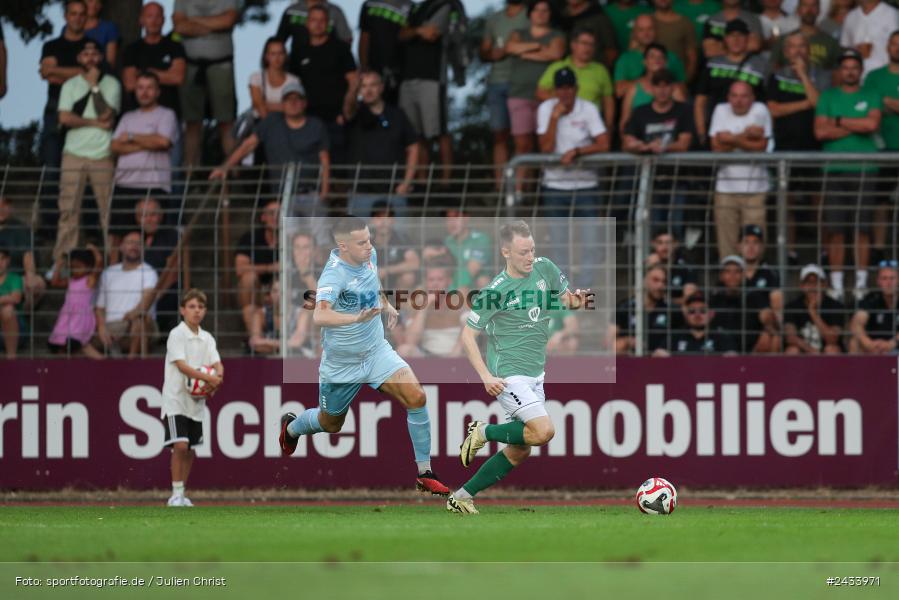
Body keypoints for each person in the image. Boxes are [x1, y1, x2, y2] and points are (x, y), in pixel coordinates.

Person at [278, 216, 451, 497]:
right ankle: (292, 428)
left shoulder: (369, 256)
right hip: (341, 365)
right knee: (330, 423)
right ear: (343, 246)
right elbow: (320, 314)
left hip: (376, 352)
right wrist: (355, 316)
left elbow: (373, 286)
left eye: (369, 239)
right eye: (361, 242)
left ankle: (424, 472)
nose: (369, 246)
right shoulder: (334, 275)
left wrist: (386, 306)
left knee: (417, 397)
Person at [448, 220, 593, 514]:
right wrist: (485, 376)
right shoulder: (496, 291)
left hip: (536, 373)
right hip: (507, 374)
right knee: (543, 431)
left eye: (532, 250)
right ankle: (484, 432)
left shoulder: (545, 268)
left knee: (521, 449)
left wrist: (578, 301)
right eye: (523, 252)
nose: (530, 257)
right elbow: (467, 334)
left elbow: (566, 301)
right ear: (506, 252)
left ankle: (461, 496)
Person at [210, 82, 331, 233]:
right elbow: (247, 146)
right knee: (289, 244)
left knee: (320, 240)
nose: (293, 103)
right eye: (288, 99)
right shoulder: (271, 122)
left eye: (297, 98)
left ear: (304, 103)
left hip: (311, 194)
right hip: (283, 197)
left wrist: (324, 192)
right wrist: (225, 167)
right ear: (282, 104)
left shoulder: (316, 125)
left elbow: (324, 160)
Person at [814, 49, 881, 300]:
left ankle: (861, 283)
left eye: (854, 67)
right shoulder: (827, 96)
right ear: (839, 71)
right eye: (845, 67)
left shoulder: (871, 94)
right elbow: (820, 132)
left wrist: (838, 121)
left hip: (865, 170)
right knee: (836, 229)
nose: (850, 71)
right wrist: (855, 125)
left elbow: (872, 125)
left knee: (862, 228)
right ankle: (838, 283)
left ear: (861, 70)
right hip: (834, 170)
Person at [537, 67, 610, 288]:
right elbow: (546, 148)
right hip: (554, 186)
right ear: (555, 90)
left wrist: (577, 152)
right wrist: (554, 117)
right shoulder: (546, 108)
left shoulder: (588, 108)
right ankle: (564, 294)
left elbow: (604, 143)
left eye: (569, 87)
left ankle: (585, 291)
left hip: (586, 185)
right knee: (559, 245)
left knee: (590, 243)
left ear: (576, 88)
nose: (565, 93)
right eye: (561, 88)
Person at [55, 38, 122, 264]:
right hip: (73, 153)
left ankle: (113, 261)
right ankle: (63, 262)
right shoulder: (70, 85)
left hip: (102, 154)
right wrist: (94, 124)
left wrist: (94, 86)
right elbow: (64, 118)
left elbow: (106, 115)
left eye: (95, 53)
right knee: (68, 209)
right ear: (78, 58)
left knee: (108, 211)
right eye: (86, 53)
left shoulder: (112, 84)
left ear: (101, 58)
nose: (90, 57)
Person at [766, 31, 829, 255]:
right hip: (785, 148)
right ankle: (789, 251)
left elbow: (821, 104)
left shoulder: (821, 75)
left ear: (809, 50)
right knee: (787, 203)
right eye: (792, 46)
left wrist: (803, 75)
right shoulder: (777, 76)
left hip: (815, 148)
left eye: (802, 46)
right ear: (785, 52)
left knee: (818, 204)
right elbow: (773, 109)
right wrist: (806, 104)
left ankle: (823, 250)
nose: (798, 51)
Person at [161, 288, 224, 507]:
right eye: (191, 306)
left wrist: (218, 377)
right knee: (180, 445)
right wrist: (210, 379)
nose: (196, 311)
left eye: (200, 307)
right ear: (182, 310)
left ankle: (182, 493)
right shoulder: (177, 334)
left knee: (190, 449)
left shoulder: (207, 338)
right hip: (175, 399)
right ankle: (175, 493)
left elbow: (217, 364)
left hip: (196, 403)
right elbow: (182, 366)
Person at [622, 69, 694, 238]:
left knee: (675, 227)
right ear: (652, 88)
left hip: (677, 179)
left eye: (666, 85)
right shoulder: (641, 112)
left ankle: (675, 262)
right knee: (652, 228)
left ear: (673, 88)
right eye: (658, 85)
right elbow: (627, 141)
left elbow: (684, 143)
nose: (662, 90)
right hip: (649, 180)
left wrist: (663, 147)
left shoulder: (684, 110)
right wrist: (640, 146)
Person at [399, 0, 464, 183]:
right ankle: (421, 181)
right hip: (408, 76)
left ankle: (446, 182)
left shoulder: (448, 5)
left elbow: (432, 33)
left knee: (439, 131)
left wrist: (414, 31)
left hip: (433, 76)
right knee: (416, 134)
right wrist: (418, 31)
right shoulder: (414, 7)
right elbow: (402, 34)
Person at [110, 71, 179, 238]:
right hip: (124, 184)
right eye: (140, 87)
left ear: (158, 92)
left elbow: (163, 142)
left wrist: (132, 137)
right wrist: (148, 143)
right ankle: (113, 266)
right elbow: (114, 146)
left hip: (154, 185)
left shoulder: (166, 114)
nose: (144, 92)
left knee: (152, 238)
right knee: (117, 236)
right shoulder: (127, 117)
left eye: (149, 88)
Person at [710, 81, 773, 259]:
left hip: (756, 190)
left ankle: (756, 281)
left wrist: (730, 139)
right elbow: (715, 147)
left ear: (752, 98)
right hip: (725, 189)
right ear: (728, 97)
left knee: (755, 244)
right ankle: (729, 281)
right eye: (734, 96)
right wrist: (746, 136)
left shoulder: (760, 109)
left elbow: (762, 145)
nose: (739, 101)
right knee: (726, 243)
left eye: (744, 96)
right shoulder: (720, 110)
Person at [173, 0, 240, 167]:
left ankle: (232, 176)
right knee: (192, 123)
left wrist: (194, 20)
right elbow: (179, 26)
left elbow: (228, 21)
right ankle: (190, 178)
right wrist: (214, 24)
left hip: (221, 65)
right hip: (191, 66)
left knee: (226, 122)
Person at [345, 70, 418, 219]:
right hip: (361, 192)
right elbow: (348, 106)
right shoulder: (355, 113)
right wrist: (353, 88)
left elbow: (413, 147)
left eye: (373, 85)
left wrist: (406, 182)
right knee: (356, 241)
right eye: (363, 86)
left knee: (400, 240)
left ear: (381, 87)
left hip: (394, 191)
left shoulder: (398, 115)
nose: (369, 90)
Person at [293, 5, 358, 165]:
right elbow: (293, 86)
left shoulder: (341, 48)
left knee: (338, 164)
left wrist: (347, 109)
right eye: (314, 20)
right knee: (311, 162)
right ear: (307, 23)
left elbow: (354, 80)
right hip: (308, 118)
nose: (318, 24)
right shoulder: (299, 51)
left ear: (328, 23)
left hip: (336, 118)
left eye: (322, 20)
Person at [505, 0, 566, 162]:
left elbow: (556, 54)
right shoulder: (518, 33)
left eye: (545, 10)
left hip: (548, 95)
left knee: (544, 144)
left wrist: (524, 52)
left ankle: (539, 184)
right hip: (520, 94)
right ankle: (519, 187)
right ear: (530, 14)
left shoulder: (557, 35)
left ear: (550, 14)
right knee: (522, 145)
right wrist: (540, 47)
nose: (540, 14)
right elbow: (510, 47)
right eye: (536, 10)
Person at [695, 19, 769, 145]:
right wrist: (702, 133)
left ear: (748, 38)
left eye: (740, 35)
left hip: (750, 130)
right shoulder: (713, 64)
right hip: (717, 129)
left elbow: (767, 103)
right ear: (725, 39)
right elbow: (700, 101)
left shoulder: (761, 65)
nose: (736, 40)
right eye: (731, 36)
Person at [481, 0, 530, 189]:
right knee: (499, 135)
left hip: (523, 82)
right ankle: (500, 187)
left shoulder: (530, 15)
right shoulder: (494, 19)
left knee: (524, 138)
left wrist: (514, 48)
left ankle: (522, 188)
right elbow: (483, 51)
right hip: (497, 82)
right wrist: (491, 53)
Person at [863, 30, 899, 261]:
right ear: (887, 47)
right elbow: (869, 108)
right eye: (894, 44)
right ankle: (877, 249)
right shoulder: (874, 77)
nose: (898, 48)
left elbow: (880, 105)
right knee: (880, 201)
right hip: (881, 148)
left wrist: (886, 102)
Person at [39, 0, 88, 171]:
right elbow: (47, 75)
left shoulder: (93, 46)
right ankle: (48, 199)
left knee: (80, 166)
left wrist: (57, 71)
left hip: (84, 110)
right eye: (73, 13)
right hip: (55, 108)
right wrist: (79, 72)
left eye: (82, 14)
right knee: (51, 164)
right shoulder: (51, 46)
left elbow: (90, 77)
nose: (77, 18)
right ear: (66, 16)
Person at [94, 231, 159, 358]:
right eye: (130, 242)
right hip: (109, 328)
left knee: (140, 320)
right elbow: (99, 308)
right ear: (121, 246)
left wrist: (130, 317)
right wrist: (101, 327)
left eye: (138, 243)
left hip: (133, 326)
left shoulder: (149, 272)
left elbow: (145, 302)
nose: (134, 246)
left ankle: (130, 362)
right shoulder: (108, 273)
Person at [536, 28, 616, 131]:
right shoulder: (557, 67)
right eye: (584, 43)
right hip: (562, 120)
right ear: (573, 45)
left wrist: (609, 125)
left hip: (591, 123)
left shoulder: (600, 70)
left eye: (591, 44)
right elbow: (540, 92)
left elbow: (608, 100)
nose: (588, 48)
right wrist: (562, 102)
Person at [122, 2, 187, 120]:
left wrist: (146, 72)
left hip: (169, 112)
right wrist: (165, 76)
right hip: (138, 113)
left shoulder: (175, 47)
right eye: (149, 16)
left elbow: (178, 78)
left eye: (158, 16)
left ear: (163, 20)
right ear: (141, 20)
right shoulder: (132, 49)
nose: (154, 21)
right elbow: (130, 84)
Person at [396, 261, 466, 357]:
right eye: (431, 280)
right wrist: (425, 307)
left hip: (456, 355)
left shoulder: (457, 300)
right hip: (427, 355)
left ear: (448, 281)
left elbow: (470, 332)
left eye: (440, 279)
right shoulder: (419, 302)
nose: (435, 284)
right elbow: (410, 341)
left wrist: (454, 354)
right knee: (403, 350)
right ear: (426, 282)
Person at [709, 254, 777, 353]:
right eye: (728, 272)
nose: (732, 276)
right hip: (720, 350)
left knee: (772, 338)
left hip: (750, 351)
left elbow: (766, 315)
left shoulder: (754, 295)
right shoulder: (713, 297)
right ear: (721, 276)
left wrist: (767, 324)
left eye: (737, 272)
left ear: (743, 275)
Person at [232, 199, 279, 335]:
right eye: (271, 213)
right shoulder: (251, 237)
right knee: (248, 278)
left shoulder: (290, 238)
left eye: (279, 213)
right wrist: (269, 268)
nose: (275, 217)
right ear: (263, 217)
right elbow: (240, 269)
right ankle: (254, 338)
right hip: (257, 293)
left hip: (281, 291)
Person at [48, 246, 104, 358]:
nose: (75, 270)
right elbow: (54, 282)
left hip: (80, 317)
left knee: (76, 342)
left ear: (88, 267)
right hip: (67, 316)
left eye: (78, 267)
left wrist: (93, 248)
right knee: (58, 344)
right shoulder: (71, 280)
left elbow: (99, 262)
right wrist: (59, 266)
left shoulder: (89, 280)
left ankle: (104, 363)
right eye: (72, 267)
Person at [613, 15, 687, 99]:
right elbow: (619, 91)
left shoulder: (671, 57)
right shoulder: (625, 59)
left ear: (656, 30)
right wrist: (646, 79)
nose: (646, 33)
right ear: (634, 33)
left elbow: (683, 91)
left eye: (650, 29)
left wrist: (664, 79)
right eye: (641, 30)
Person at [619, 48, 689, 132]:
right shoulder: (633, 88)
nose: (657, 60)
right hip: (640, 140)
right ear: (644, 62)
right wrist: (626, 141)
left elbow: (685, 119)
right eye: (652, 56)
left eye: (660, 57)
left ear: (666, 63)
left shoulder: (675, 88)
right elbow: (625, 121)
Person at [359, 0, 412, 105]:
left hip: (400, 71)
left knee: (395, 109)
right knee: (371, 107)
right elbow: (364, 37)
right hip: (373, 69)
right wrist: (363, 66)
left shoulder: (410, 7)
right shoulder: (369, 4)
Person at [611, 264, 672, 354]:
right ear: (644, 281)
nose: (660, 286)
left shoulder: (670, 311)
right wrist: (628, 341)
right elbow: (608, 344)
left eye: (664, 282)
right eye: (655, 280)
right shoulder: (625, 307)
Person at [784, 263, 845, 354]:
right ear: (802, 286)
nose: (813, 287)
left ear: (824, 285)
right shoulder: (792, 306)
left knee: (832, 350)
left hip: (825, 352)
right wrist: (811, 350)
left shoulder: (836, 306)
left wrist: (813, 313)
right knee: (792, 350)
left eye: (817, 282)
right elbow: (790, 337)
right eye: (808, 282)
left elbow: (832, 339)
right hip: (804, 351)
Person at [277, 0, 354, 68]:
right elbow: (278, 41)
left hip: (328, 68)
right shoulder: (291, 10)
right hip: (297, 66)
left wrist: (341, 63)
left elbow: (346, 40)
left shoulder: (335, 12)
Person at [769, 0, 841, 71]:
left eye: (814, 6)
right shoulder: (784, 39)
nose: (809, 10)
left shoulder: (831, 43)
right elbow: (773, 69)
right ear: (798, 10)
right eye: (805, 5)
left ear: (819, 11)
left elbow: (838, 73)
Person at [0, 196, 45, 307]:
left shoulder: (20, 229)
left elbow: (28, 256)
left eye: (5, 204)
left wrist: (30, 275)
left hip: (15, 277)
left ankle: (22, 317)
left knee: (37, 283)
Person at [849, 260, 899, 353]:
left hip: (896, 346)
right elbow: (856, 323)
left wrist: (891, 344)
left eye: (892, 278)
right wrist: (868, 343)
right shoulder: (872, 298)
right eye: (884, 278)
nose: (888, 282)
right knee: (854, 343)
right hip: (874, 346)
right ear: (878, 281)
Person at [667, 292, 739, 354]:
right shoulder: (675, 337)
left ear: (711, 314)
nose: (697, 315)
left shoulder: (722, 337)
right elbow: (660, 354)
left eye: (702, 310)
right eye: (692, 311)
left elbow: (732, 358)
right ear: (686, 314)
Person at [369, 203, 420, 292]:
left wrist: (386, 271)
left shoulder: (401, 239)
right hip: (371, 283)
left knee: (408, 277)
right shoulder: (366, 239)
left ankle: (398, 304)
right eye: (379, 218)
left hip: (395, 284)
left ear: (393, 220)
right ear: (372, 220)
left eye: (387, 217)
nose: (383, 222)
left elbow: (415, 263)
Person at [840, 0, 899, 75]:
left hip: (886, 76)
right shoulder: (851, 16)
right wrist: (856, 51)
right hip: (858, 78)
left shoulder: (893, 14)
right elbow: (845, 47)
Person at [249, 38, 301, 121]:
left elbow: (294, 107)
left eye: (280, 53)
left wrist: (268, 105)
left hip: (286, 125)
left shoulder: (294, 81)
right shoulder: (256, 78)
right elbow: (258, 104)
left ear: (285, 56)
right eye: (273, 54)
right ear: (266, 56)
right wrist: (282, 106)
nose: (277, 58)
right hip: (262, 124)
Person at [559, 0, 618, 68]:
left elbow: (611, 50)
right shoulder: (558, 15)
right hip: (565, 71)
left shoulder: (598, 16)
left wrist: (601, 71)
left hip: (594, 71)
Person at [646, 229, 698, 303]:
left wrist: (666, 301)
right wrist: (650, 268)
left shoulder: (686, 266)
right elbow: (641, 296)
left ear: (675, 244)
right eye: (660, 243)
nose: (664, 247)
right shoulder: (649, 263)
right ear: (654, 244)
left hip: (677, 312)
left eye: (668, 243)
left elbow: (689, 300)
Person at [652, 0, 698, 81]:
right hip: (651, 80)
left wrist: (686, 80)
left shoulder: (685, 22)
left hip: (678, 79)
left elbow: (692, 57)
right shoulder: (647, 21)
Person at [80, 0, 120, 67]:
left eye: (98, 2)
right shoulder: (70, 27)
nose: (94, 5)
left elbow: (110, 61)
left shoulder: (108, 28)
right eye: (90, 1)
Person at [0, 247, 24, 358]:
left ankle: (11, 356)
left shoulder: (15, 278)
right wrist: (5, 298)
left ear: (8, 260)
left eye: (2, 259)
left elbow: (16, 298)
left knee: (8, 309)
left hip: (15, 329)